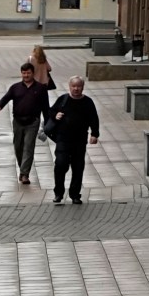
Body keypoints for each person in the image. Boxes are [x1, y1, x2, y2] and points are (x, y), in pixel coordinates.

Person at [0, 59, 52, 185]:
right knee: (18, 147)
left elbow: (46, 107)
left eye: (28, 73)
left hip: (33, 121)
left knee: (28, 147)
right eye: (24, 73)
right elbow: (6, 97)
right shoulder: (15, 88)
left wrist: (48, 123)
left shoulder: (41, 88)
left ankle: (24, 174)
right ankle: (22, 168)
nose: (26, 75)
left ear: (33, 73)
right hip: (18, 121)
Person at [45, 74, 100, 204]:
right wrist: (55, 115)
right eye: (73, 86)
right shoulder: (63, 100)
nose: (76, 89)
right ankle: (58, 193)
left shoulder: (88, 102)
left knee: (78, 167)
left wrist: (94, 134)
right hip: (63, 139)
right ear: (69, 87)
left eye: (78, 86)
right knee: (60, 165)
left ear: (82, 87)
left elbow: (94, 119)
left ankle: (75, 194)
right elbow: (51, 112)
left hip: (79, 140)